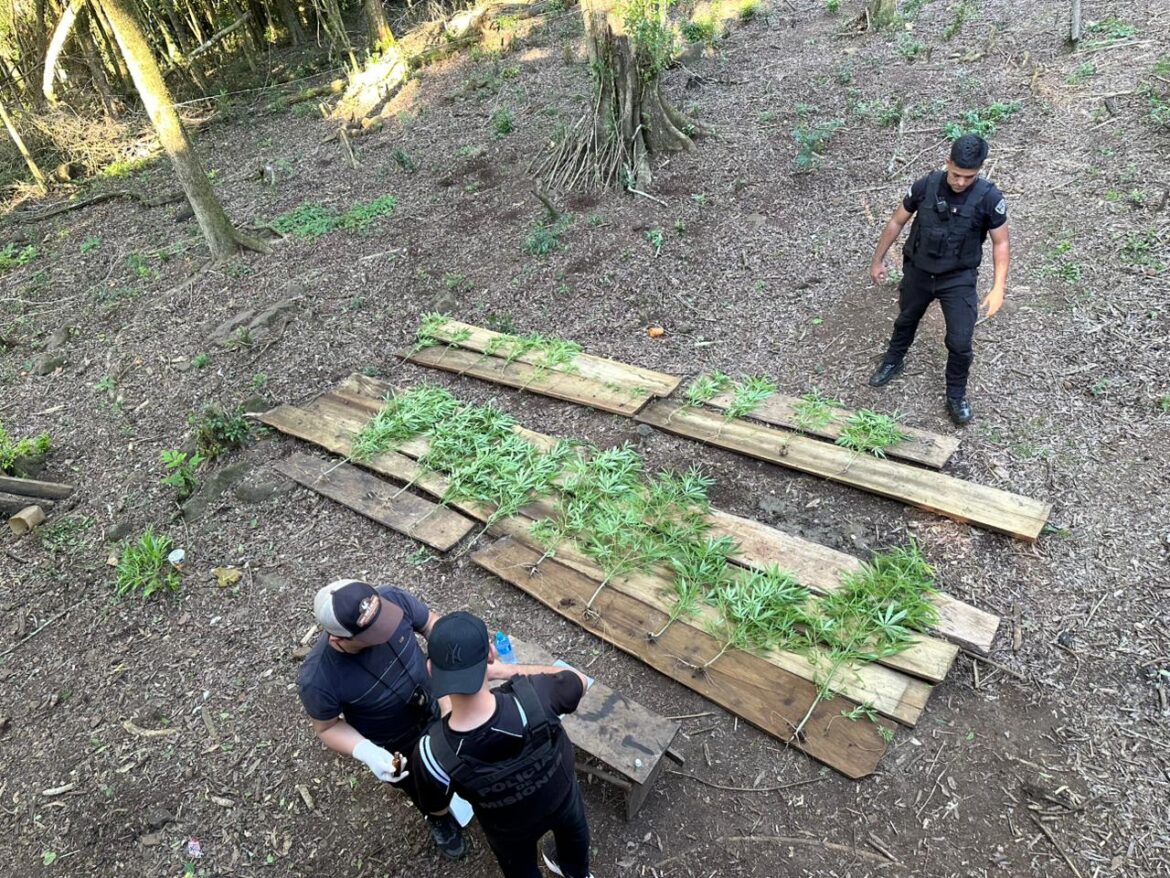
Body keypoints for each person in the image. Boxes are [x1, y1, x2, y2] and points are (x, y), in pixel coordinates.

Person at [412, 612, 593, 878]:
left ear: (430, 669)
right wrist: (504, 671)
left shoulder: (432, 752)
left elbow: (436, 806)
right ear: (490, 654)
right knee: (575, 843)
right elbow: (578, 679)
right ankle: (576, 872)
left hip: (508, 830)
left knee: (520, 870)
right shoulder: (538, 697)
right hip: (562, 800)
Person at [297, 579, 466, 860]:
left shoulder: (392, 598)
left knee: (464, 755)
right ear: (339, 639)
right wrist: (367, 752)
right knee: (420, 784)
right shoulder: (318, 678)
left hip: (436, 699)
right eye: (372, 633)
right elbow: (326, 727)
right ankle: (437, 817)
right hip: (395, 737)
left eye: (384, 620)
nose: (386, 632)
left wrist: (452, 665)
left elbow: (430, 625)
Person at [867, 133, 1011, 425]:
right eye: (956, 174)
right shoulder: (926, 186)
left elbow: (1001, 243)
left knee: (960, 341)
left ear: (980, 170)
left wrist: (998, 288)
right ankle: (893, 360)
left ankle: (956, 395)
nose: (960, 182)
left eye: (968, 177)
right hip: (919, 270)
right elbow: (897, 221)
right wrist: (878, 259)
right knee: (906, 319)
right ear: (948, 163)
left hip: (957, 278)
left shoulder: (989, 198)